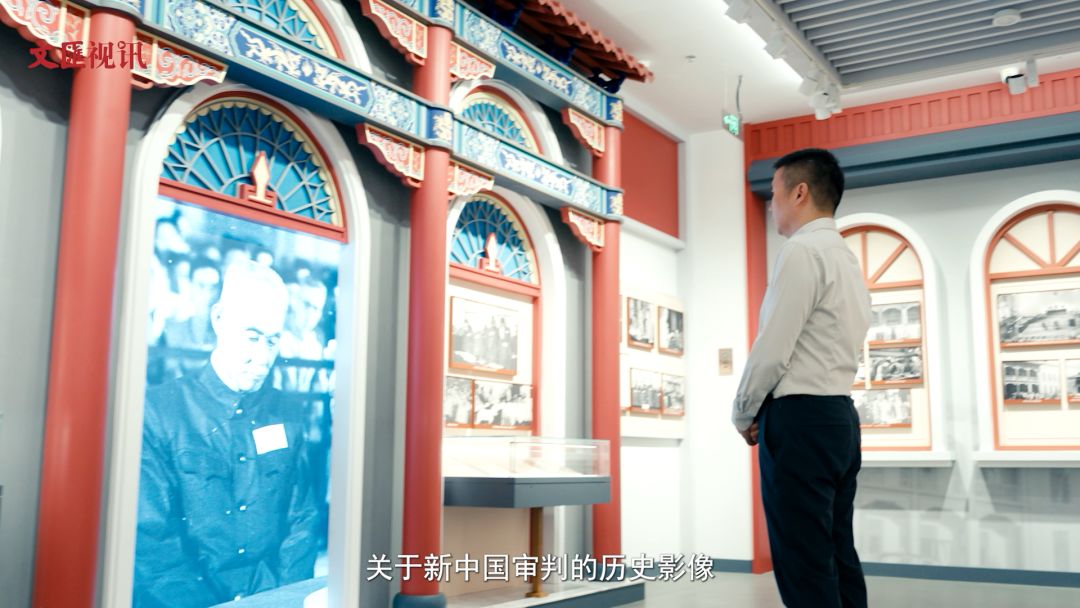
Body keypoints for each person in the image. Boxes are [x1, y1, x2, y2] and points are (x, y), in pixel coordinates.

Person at [731, 148, 871, 608]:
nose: (771, 205)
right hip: (839, 418)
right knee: (838, 551)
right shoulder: (846, 259)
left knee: (803, 563)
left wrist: (743, 412)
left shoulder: (801, 251)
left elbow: (772, 348)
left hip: (800, 422)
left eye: (774, 195)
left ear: (800, 192)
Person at [134, 260, 319, 607]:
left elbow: (302, 524)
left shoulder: (288, 414)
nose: (262, 357)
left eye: (272, 341)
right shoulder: (161, 412)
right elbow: (152, 539)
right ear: (218, 318)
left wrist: (283, 598)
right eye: (251, 337)